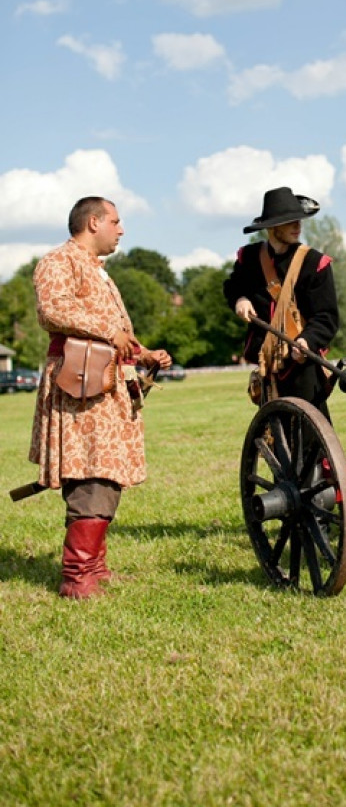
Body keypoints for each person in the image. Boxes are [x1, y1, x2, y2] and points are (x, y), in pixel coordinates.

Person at [29, 196, 172, 599]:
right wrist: (111, 334)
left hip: (104, 381)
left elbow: (114, 332)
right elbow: (51, 310)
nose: (121, 229)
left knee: (105, 471)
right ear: (93, 223)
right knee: (93, 472)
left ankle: (95, 567)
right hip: (80, 384)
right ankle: (77, 578)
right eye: (115, 220)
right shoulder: (59, 261)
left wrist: (143, 353)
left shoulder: (99, 272)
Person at [223, 187, 339, 418]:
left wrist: (307, 341)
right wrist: (240, 299)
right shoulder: (249, 259)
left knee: (310, 438)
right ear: (273, 227)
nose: (298, 226)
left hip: (302, 363)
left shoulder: (314, 263)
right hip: (267, 363)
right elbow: (232, 286)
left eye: (299, 220)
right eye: (290, 222)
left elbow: (326, 317)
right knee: (276, 435)